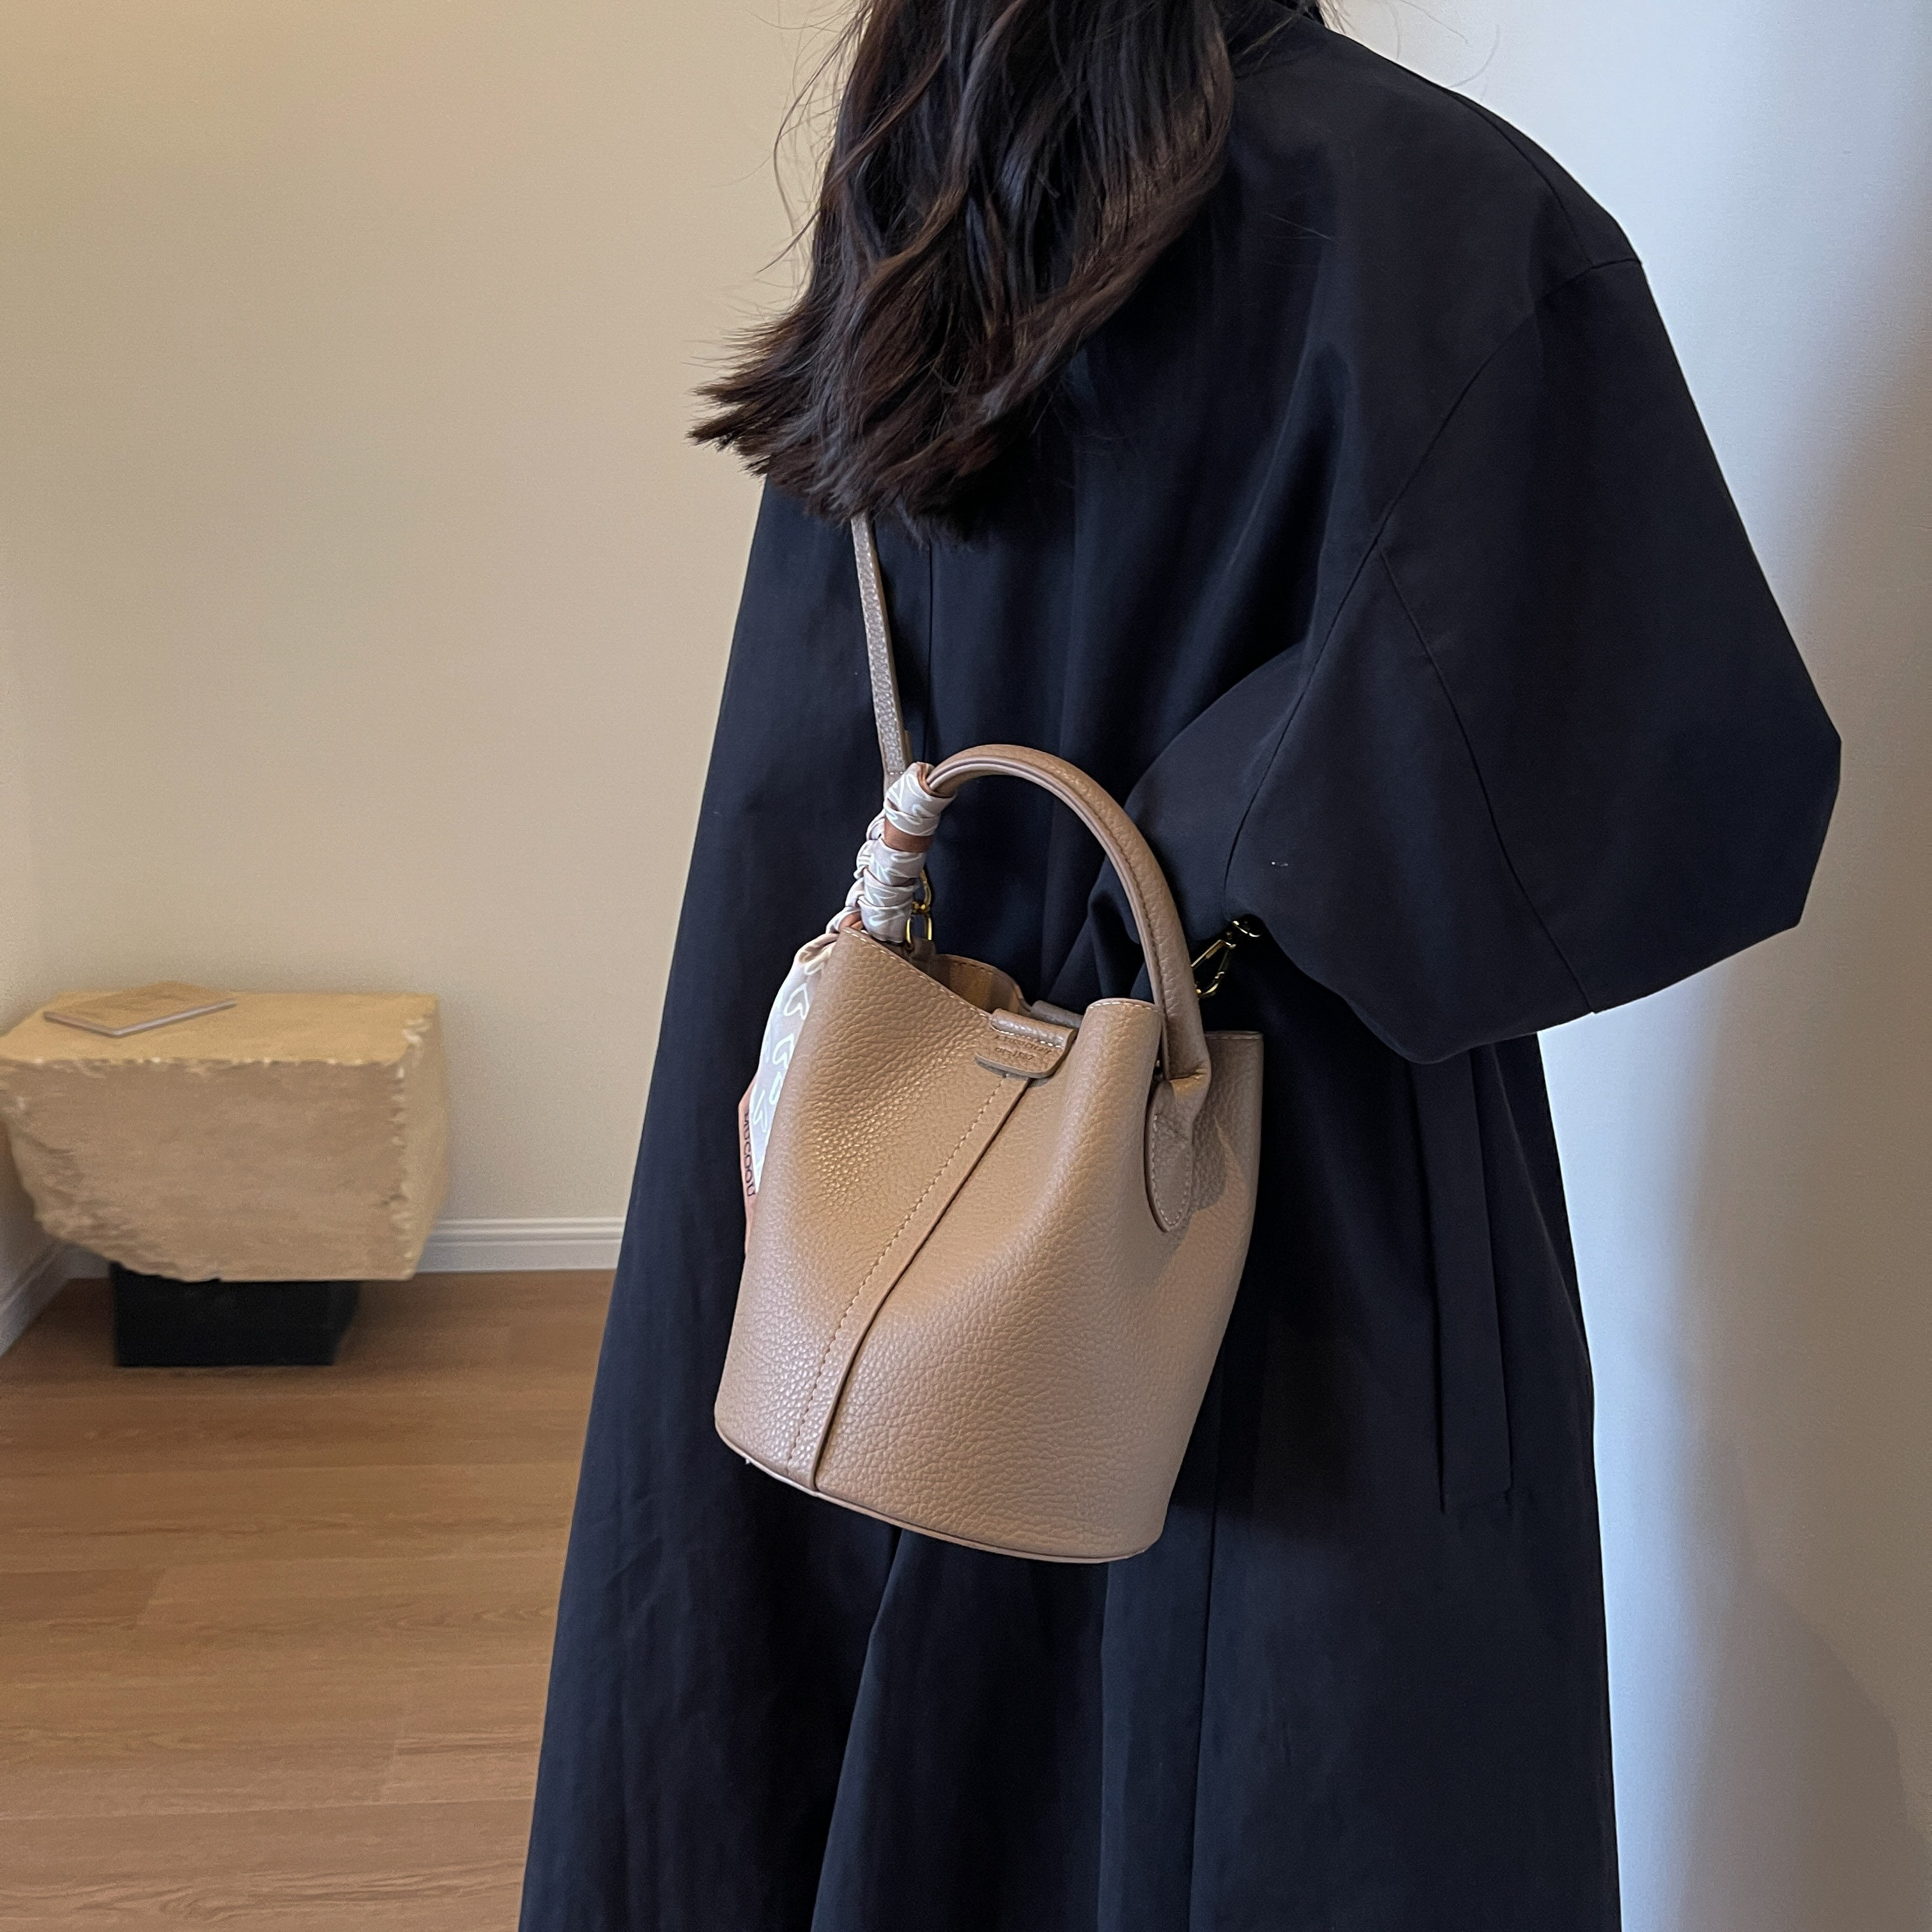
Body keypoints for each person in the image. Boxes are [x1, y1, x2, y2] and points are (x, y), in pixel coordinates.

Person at [519, 2, 1839, 1926]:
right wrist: (1222, 849)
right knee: (1264, 1763)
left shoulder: (925, 187)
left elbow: (809, 756)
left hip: (880, 1150)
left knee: (841, 1706)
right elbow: (1682, 780)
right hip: (1294, 1217)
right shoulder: (1439, 213)